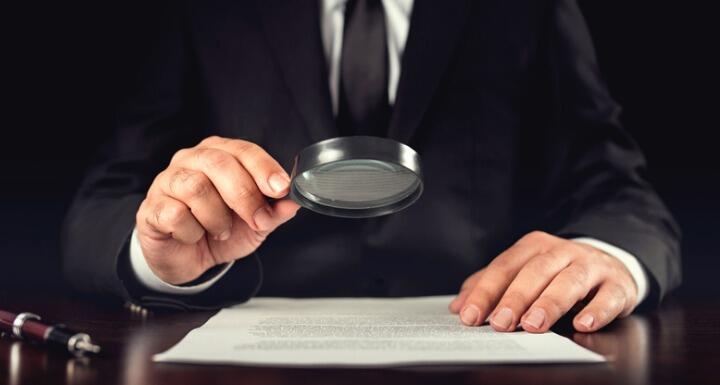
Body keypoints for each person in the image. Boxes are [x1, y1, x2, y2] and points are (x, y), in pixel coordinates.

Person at [62, 0, 681, 333]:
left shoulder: (524, 8)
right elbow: (101, 202)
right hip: (244, 346)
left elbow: (618, 187)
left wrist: (610, 256)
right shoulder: (207, 10)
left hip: (485, 339)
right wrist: (158, 251)